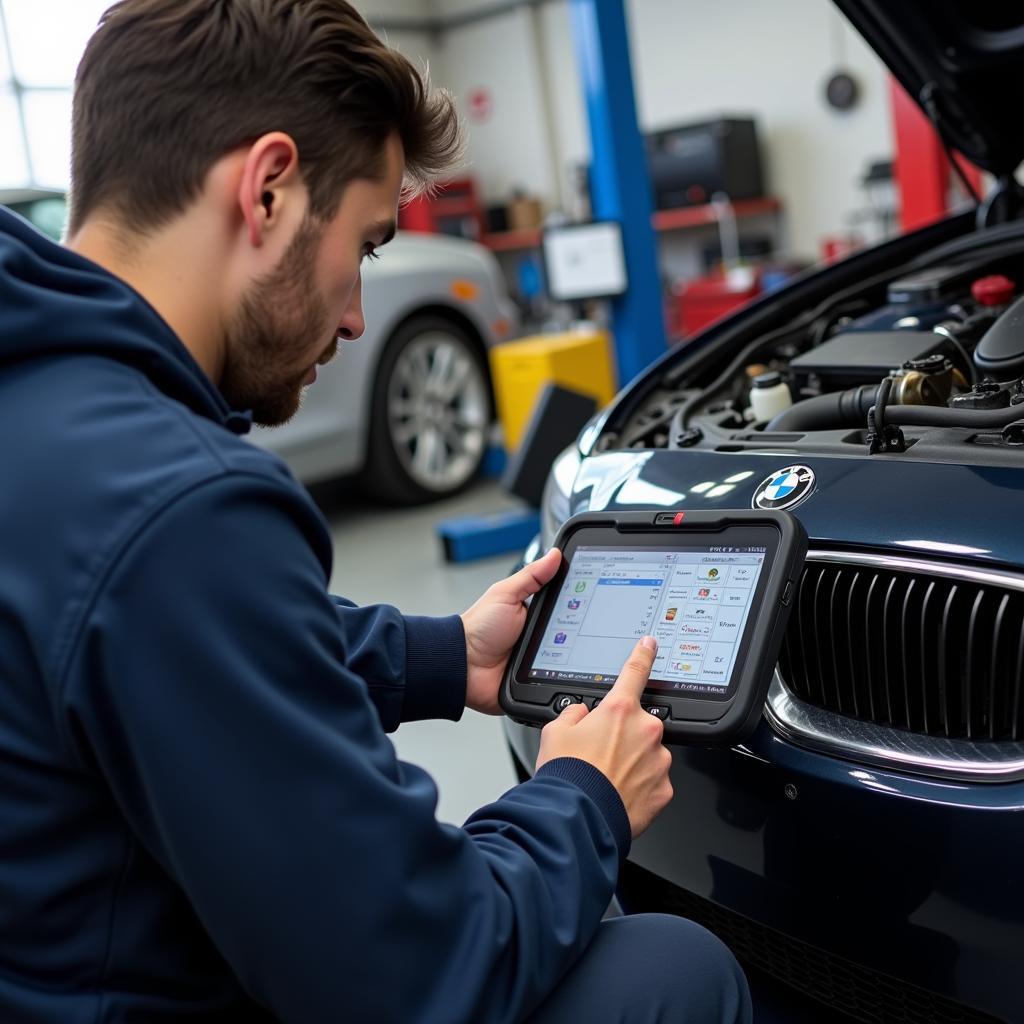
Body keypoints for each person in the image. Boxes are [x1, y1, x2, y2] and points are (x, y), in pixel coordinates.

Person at [0, 2, 752, 1021]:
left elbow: (152, 648)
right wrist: (582, 795)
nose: (356, 312)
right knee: (672, 967)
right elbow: (418, 976)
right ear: (266, 190)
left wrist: (445, 654)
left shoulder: (41, 407)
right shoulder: (180, 507)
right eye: (363, 242)